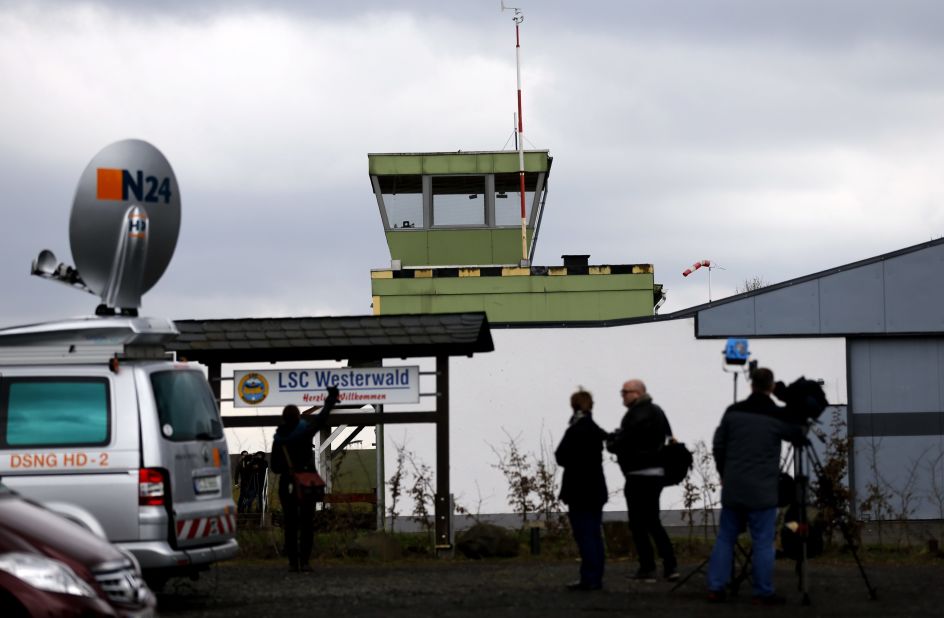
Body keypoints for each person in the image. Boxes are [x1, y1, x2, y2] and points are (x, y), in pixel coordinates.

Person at [706, 367, 806, 605]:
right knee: (762, 541)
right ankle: (762, 592)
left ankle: (716, 587)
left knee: (726, 538)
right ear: (771, 387)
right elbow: (798, 436)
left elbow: (718, 445)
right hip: (763, 491)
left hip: (734, 486)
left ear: (751, 385)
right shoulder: (776, 415)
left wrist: (724, 473)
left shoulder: (732, 412)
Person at [607, 379, 678, 582]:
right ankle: (670, 565)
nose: (622, 395)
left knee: (638, 523)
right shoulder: (658, 411)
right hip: (656, 473)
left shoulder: (634, 415)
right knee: (653, 521)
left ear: (637, 393)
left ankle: (647, 567)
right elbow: (668, 437)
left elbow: (624, 442)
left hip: (638, 474)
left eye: (625, 392)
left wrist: (613, 443)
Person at [270, 386, 340, 572]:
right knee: (307, 524)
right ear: (298, 417)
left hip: (288, 485)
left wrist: (288, 469)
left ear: (284, 419)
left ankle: (293, 563)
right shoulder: (305, 432)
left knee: (290, 525)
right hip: (306, 483)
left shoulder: (278, 439)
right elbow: (321, 418)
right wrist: (330, 400)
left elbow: (275, 467)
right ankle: (305, 562)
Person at [555, 389, 609, 591]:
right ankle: (595, 576)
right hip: (596, 487)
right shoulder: (595, 429)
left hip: (578, 489)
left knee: (584, 534)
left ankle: (590, 578)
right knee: (594, 533)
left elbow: (561, 456)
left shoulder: (574, 430)